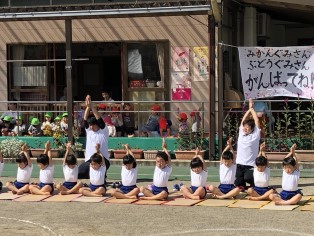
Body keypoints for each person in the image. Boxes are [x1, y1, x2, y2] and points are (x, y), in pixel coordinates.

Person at [78, 95, 110, 180]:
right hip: (90, 160)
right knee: (79, 173)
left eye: (93, 125)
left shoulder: (104, 131)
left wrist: (92, 106)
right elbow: (85, 118)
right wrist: (88, 107)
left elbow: (99, 118)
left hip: (103, 160)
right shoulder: (89, 131)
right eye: (90, 125)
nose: (91, 127)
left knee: (99, 176)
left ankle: (102, 175)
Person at [235, 98, 260, 190]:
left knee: (248, 178)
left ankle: (254, 183)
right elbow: (243, 120)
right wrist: (248, 109)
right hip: (240, 163)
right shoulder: (241, 134)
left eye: (248, 127)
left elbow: (257, 121)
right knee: (238, 183)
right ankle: (244, 185)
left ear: (252, 128)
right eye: (244, 127)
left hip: (250, 164)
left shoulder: (255, 135)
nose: (245, 129)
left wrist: (252, 109)